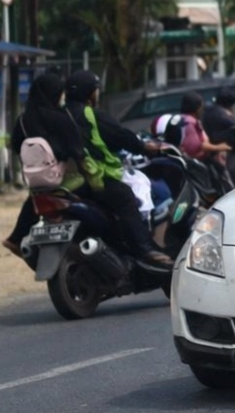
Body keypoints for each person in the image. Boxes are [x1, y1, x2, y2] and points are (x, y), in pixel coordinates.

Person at [63, 71, 173, 268]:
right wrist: (145, 148)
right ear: (90, 93)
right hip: (94, 178)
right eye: (95, 91)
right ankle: (144, 250)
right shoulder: (89, 115)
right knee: (125, 198)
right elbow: (121, 136)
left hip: (65, 182)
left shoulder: (59, 114)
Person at [3, 72, 84, 255]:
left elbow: (16, 146)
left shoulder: (23, 121)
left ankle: (16, 238)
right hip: (66, 180)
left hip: (36, 180)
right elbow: (77, 151)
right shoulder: (62, 118)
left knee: (34, 200)